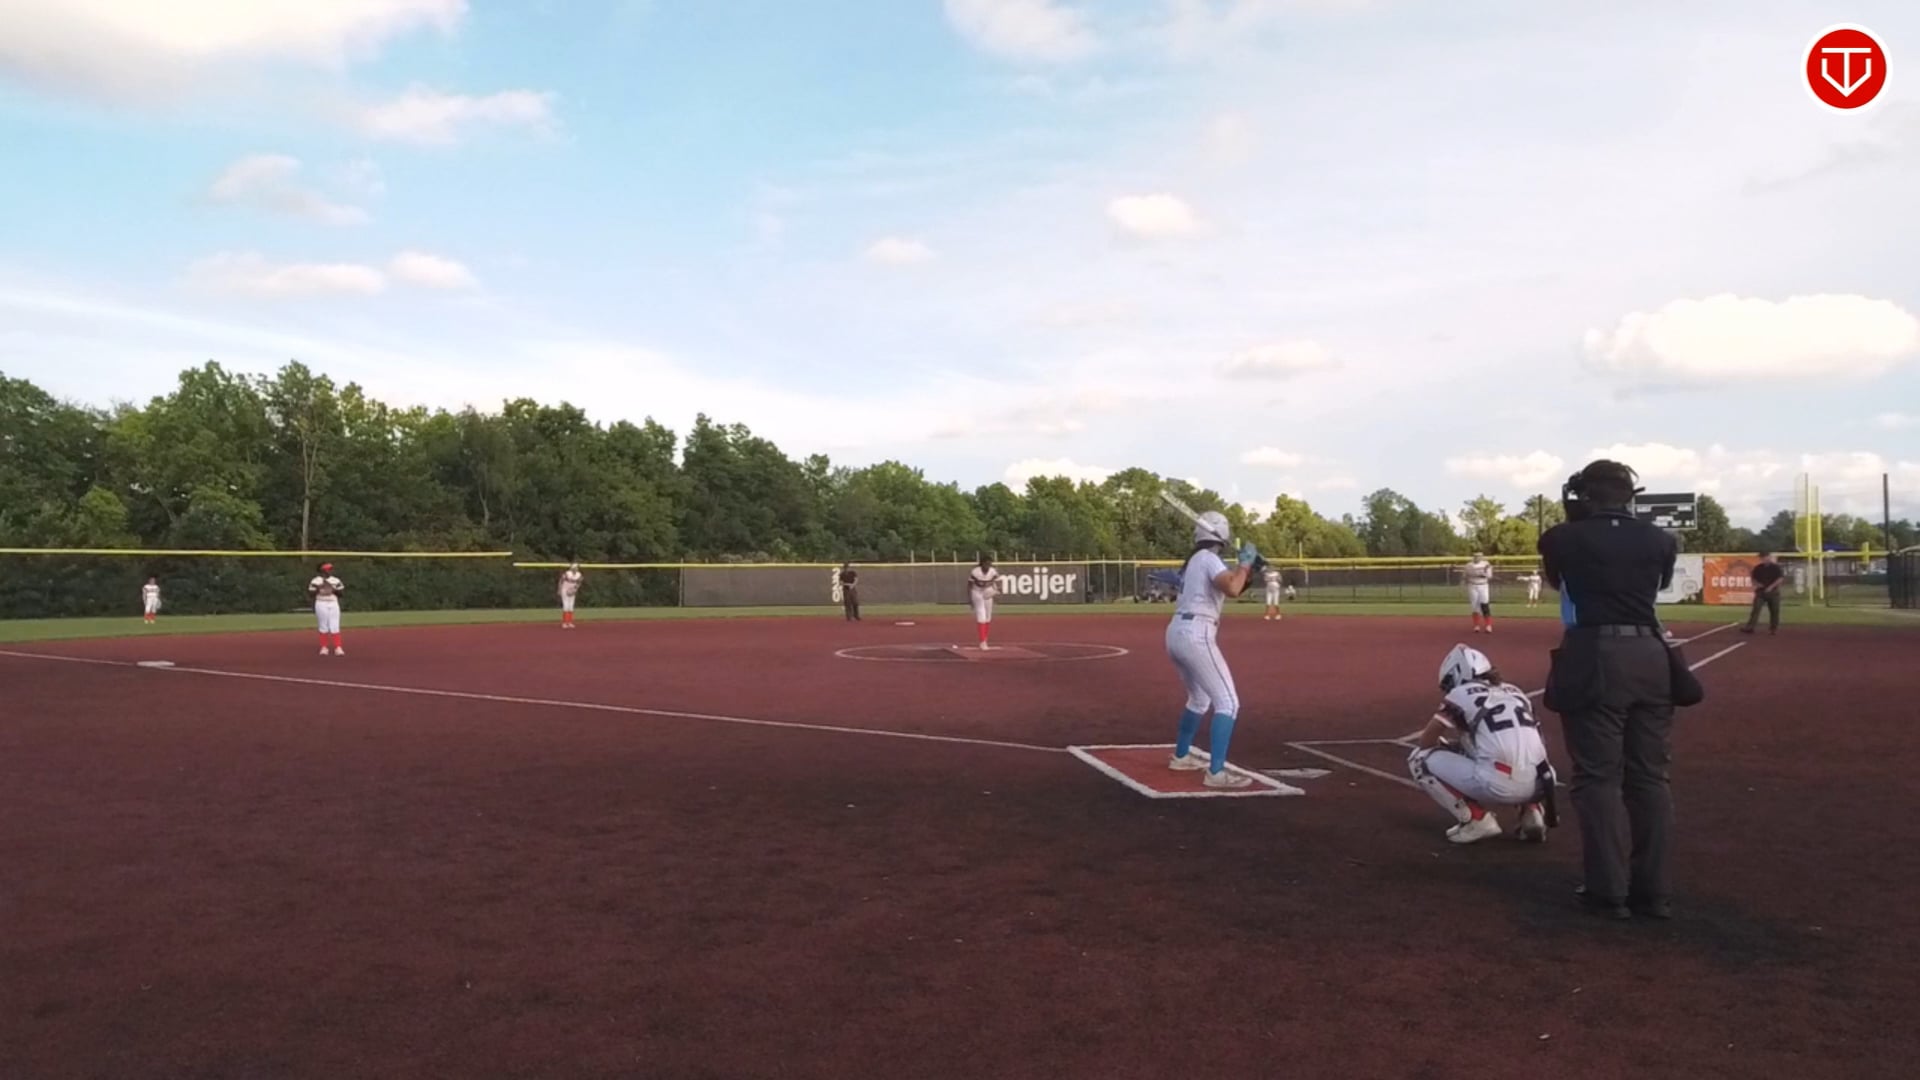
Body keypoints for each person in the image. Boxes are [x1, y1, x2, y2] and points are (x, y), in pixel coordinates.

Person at [1538, 459, 1679, 920]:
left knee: (1598, 777)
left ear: (1583, 495)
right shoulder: (1661, 539)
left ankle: (1608, 890)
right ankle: (1653, 893)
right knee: (1650, 778)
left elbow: (1559, 581)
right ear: (1629, 495)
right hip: (1652, 656)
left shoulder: (1561, 538)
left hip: (1595, 654)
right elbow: (1659, 583)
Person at [1407, 644, 1556, 845]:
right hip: (1543, 782)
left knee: (1419, 759)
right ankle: (1532, 812)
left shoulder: (1461, 694)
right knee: (1515, 750)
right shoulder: (1516, 692)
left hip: (1500, 784)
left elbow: (1426, 741)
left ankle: (1476, 820)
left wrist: (1448, 747)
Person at [1165, 511, 1262, 789]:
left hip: (1177, 632)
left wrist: (1249, 570)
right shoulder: (1208, 558)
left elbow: (1234, 586)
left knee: (1199, 699)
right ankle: (1216, 773)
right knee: (1228, 702)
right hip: (1197, 633)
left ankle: (1181, 756)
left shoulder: (1197, 559)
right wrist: (1244, 565)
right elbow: (1232, 588)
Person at [1741, 552, 1785, 636]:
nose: (1763, 559)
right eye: (1762, 558)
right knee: (1756, 609)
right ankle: (1750, 627)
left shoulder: (1775, 567)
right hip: (1760, 592)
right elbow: (1753, 578)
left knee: (1774, 611)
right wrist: (1757, 584)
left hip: (1773, 592)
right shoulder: (1758, 568)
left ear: (1769, 557)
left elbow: (1780, 579)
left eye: (1764, 557)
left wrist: (1771, 587)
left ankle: (1773, 629)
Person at [308, 562, 347, 656]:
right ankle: (324, 647)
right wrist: (319, 588)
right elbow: (311, 594)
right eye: (328, 569)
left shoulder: (335, 580)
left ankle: (338, 647)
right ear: (323, 570)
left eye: (330, 569)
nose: (330, 571)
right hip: (321, 602)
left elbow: (341, 594)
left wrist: (333, 589)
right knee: (323, 625)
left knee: (335, 625)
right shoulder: (316, 580)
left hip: (333, 603)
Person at [968, 555, 1001, 649]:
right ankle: (982, 642)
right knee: (981, 615)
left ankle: (984, 638)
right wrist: (970, 599)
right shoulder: (975, 572)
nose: (988, 566)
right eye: (986, 564)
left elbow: (998, 581)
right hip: (977, 592)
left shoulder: (992, 571)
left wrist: (997, 591)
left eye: (989, 564)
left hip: (988, 591)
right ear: (982, 564)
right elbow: (969, 585)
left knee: (988, 617)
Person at [1464, 551, 1495, 633]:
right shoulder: (1469, 565)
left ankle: (1488, 625)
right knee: (1475, 606)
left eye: (1479, 556)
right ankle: (1476, 625)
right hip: (1472, 585)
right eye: (1475, 556)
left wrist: (1483, 574)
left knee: (1485, 604)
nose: (1477, 557)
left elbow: (1489, 576)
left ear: (1482, 557)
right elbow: (1465, 576)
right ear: (1473, 556)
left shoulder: (1486, 564)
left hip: (1483, 585)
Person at [559, 561, 583, 629]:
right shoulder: (567, 573)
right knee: (566, 606)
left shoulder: (578, 574)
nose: (577, 568)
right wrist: (559, 590)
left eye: (577, 567)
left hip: (572, 591)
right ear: (572, 568)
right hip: (564, 590)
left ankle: (570, 622)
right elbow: (561, 581)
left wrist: (575, 589)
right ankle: (564, 623)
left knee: (571, 606)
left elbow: (580, 581)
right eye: (576, 567)